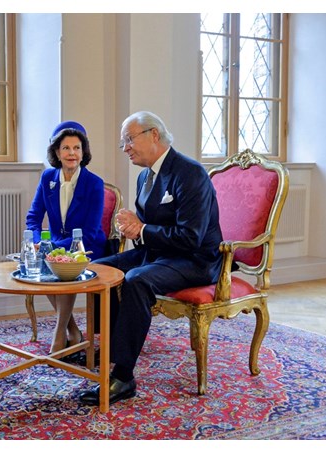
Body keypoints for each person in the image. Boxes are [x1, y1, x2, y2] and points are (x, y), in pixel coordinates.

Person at [78, 111, 224, 406]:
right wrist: (132, 227)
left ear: (154, 135)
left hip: (195, 260)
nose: (126, 148)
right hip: (158, 254)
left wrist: (142, 228)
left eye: (129, 140)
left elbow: (190, 237)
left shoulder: (190, 173)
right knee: (96, 270)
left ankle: (123, 375)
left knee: (135, 280)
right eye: (123, 143)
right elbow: (146, 229)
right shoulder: (145, 175)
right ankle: (106, 347)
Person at [26, 120, 107, 354]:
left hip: (87, 248)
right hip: (54, 247)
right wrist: (35, 241)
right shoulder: (47, 178)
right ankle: (73, 330)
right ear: (57, 153)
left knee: (62, 270)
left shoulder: (94, 184)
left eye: (77, 148)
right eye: (66, 148)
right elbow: (33, 216)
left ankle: (58, 335)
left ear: (83, 152)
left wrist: (51, 248)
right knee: (48, 265)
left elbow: (90, 232)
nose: (72, 153)